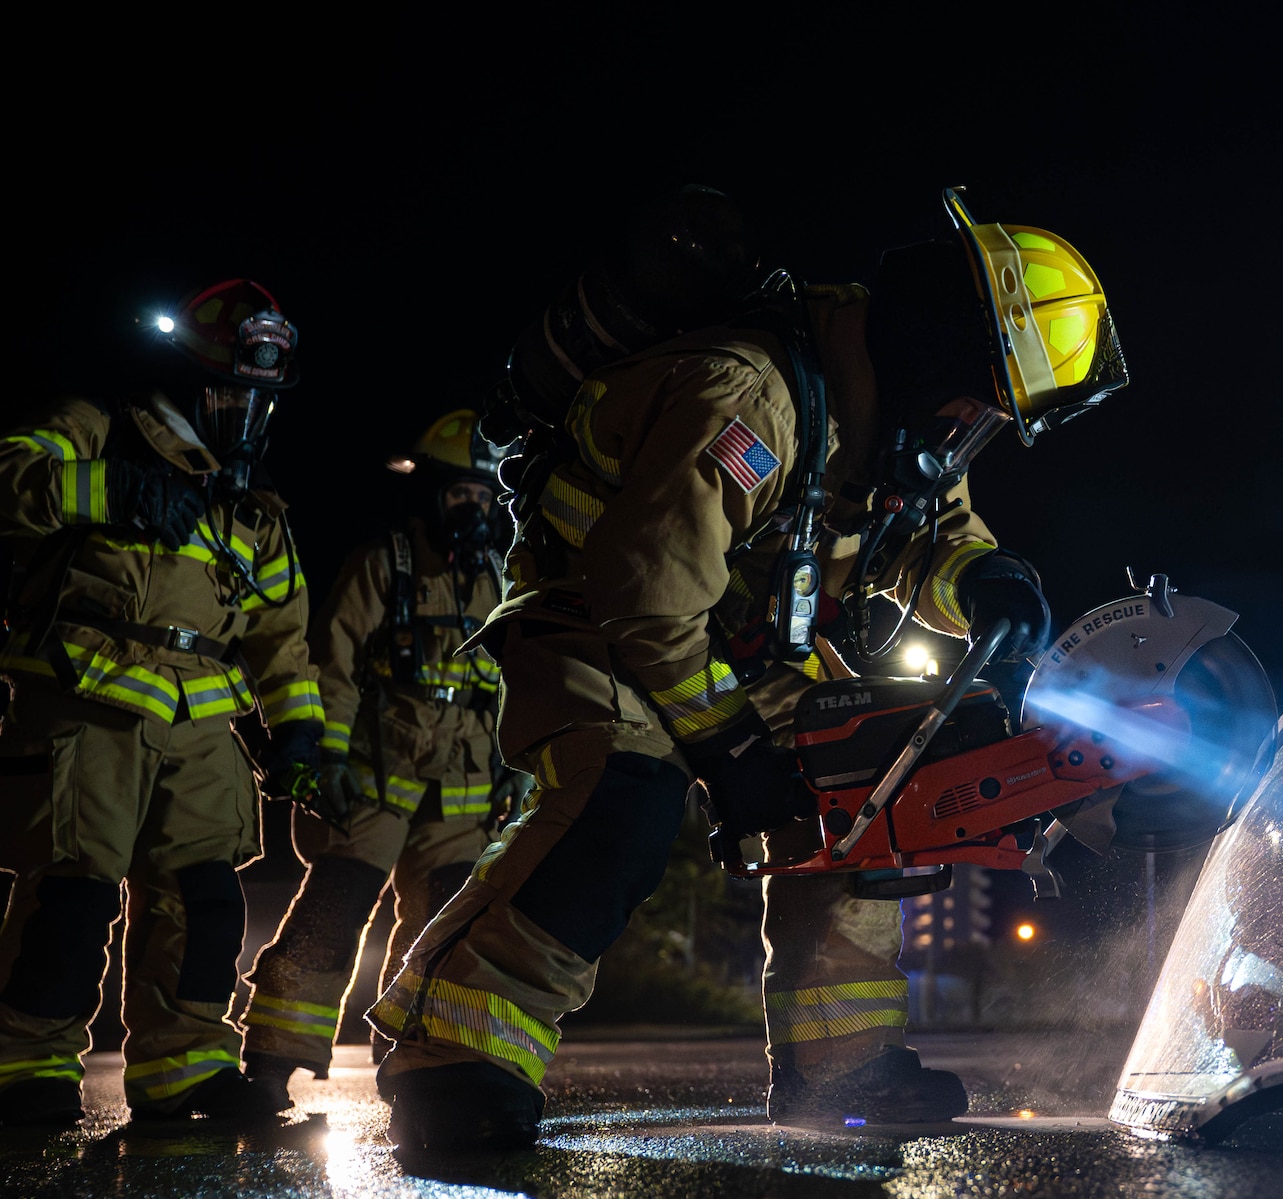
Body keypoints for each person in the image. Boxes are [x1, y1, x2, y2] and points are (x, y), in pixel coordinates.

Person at [369, 188, 1126, 1149]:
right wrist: (727, 747)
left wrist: (988, 578)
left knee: (866, 783)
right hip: (593, 620)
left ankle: (841, 1065)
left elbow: (930, 535)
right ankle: (452, 1053)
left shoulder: (897, 421)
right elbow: (647, 594)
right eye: (981, 400)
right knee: (623, 802)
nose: (974, 427)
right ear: (941, 353)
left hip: (734, 637)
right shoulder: (749, 395)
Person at [0, 280, 321, 1125]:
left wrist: (296, 736)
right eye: (231, 393)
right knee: (72, 898)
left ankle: (185, 1068)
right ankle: (25, 1068)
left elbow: (283, 639)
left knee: (208, 902)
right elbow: (8, 483)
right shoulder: (94, 427)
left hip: (203, 725)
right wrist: (114, 490)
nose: (245, 414)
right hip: (88, 698)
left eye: (259, 400)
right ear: (188, 378)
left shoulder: (254, 509)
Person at [239, 410, 522, 1107]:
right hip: (371, 790)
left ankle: (417, 1061)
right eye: (460, 492)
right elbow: (331, 668)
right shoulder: (383, 564)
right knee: (332, 914)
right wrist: (325, 759)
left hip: (462, 801)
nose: (474, 508)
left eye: (485, 495)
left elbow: (524, 679)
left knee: (444, 938)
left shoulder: (501, 582)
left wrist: (520, 768)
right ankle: (271, 1060)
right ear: (430, 492)